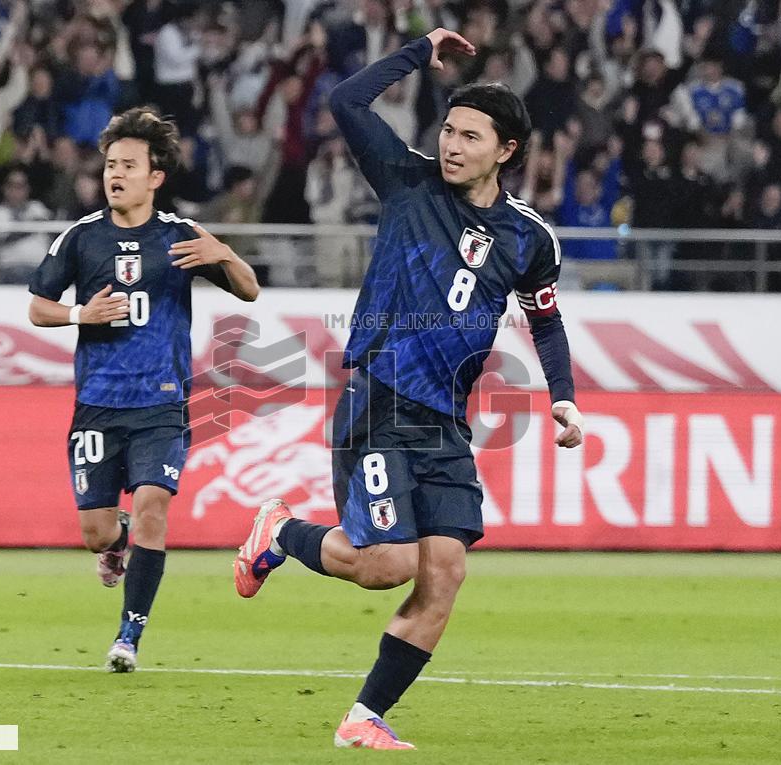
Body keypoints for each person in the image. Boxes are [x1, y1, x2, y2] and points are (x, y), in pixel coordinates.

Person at [234, 29, 583, 750]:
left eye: (470, 136)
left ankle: (365, 715)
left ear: (507, 150)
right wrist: (417, 53)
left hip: (446, 421)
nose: (452, 144)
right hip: (380, 399)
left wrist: (564, 395)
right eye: (449, 129)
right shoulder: (406, 178)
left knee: (445, 570)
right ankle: (280, 533)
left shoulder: (529, 239)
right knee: (386, 564)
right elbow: (343, 99)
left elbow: (545, 323)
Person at [27, 107, 259, 672]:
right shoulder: (81, 238)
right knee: (95, 531)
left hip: (161, 402)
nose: (116, 174)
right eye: (111, 164)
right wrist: (83, 313)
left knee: (155, 505)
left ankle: (128, 637)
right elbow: (37, 308)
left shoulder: (180, 237)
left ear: (156, 176)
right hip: (98, 405)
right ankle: (117, 539)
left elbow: (249, 292)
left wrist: (223, 254)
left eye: (129, 165)